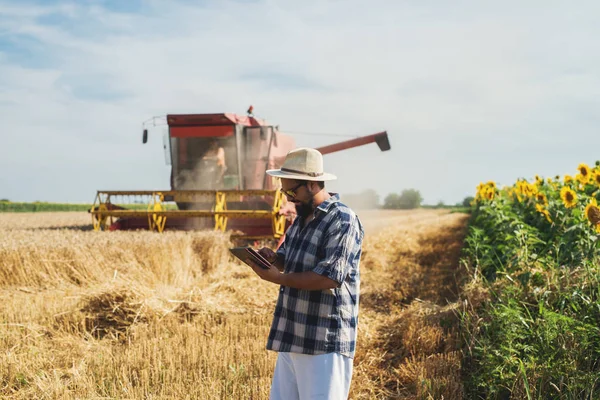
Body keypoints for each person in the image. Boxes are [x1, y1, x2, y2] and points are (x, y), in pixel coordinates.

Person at [246, 147, 364, 400]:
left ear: (312, 185)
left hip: (323, 341)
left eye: (292, 191)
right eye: (284, 191)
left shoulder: (342, 219)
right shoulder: (302, 218)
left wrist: (279, 278)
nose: (288, 198)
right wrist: (273, 258)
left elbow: (329, 276)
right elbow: (288, 258)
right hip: (292, 335)